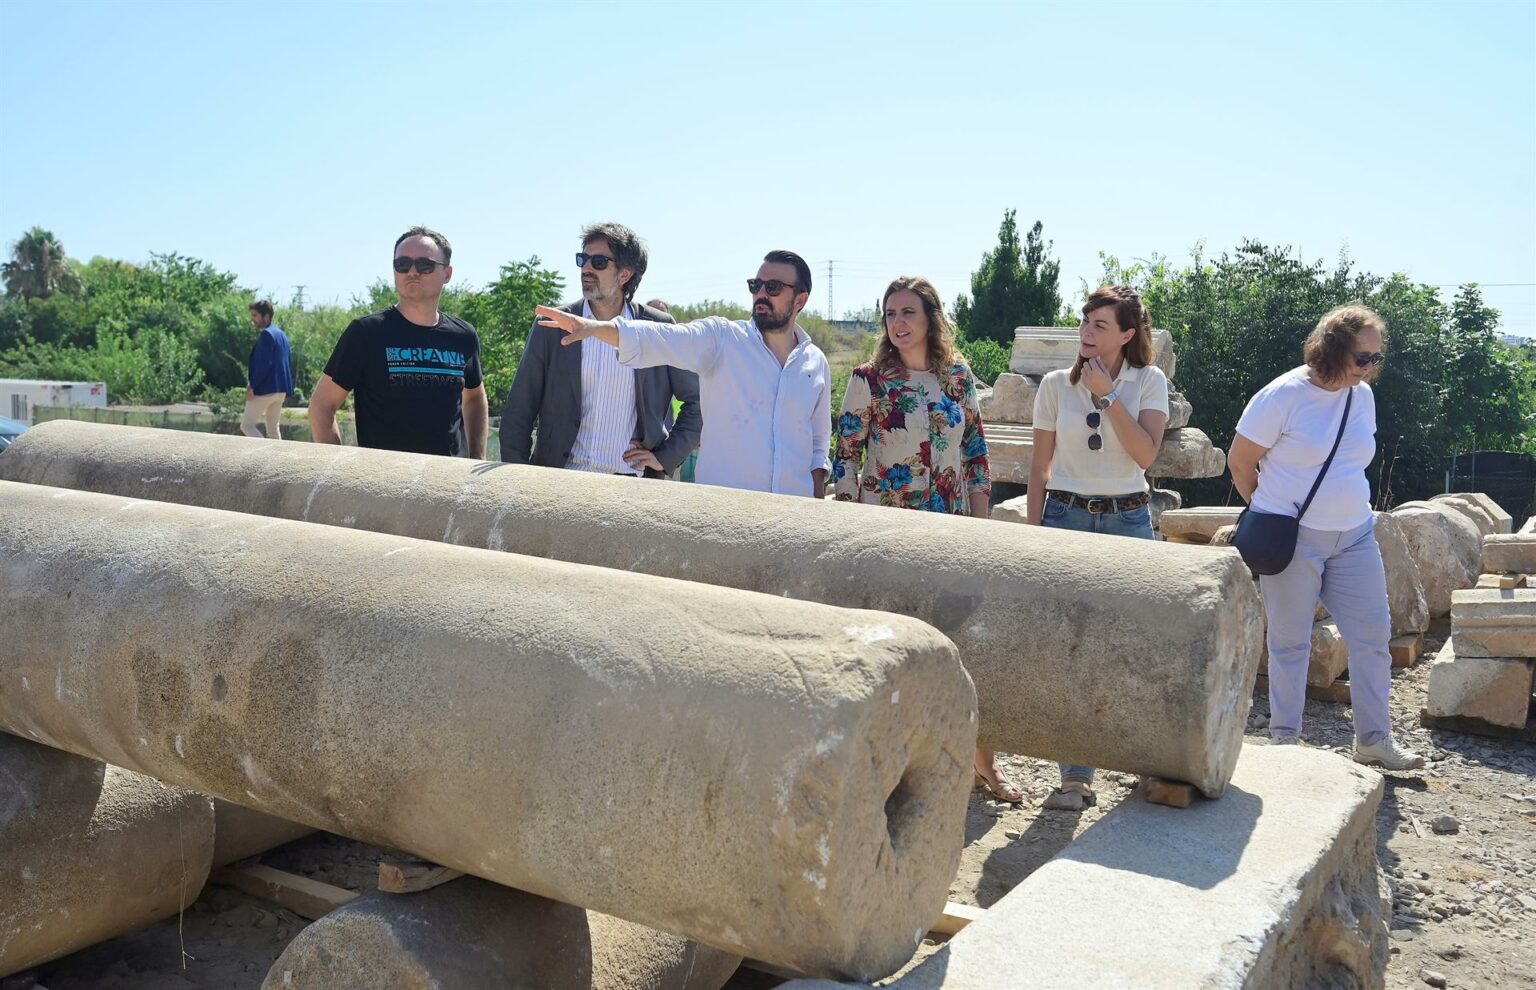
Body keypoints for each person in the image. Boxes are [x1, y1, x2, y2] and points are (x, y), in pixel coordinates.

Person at [831, 276, 1016, 801]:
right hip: (886, 534)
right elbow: (845, 459)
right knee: (888, 645)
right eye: (890, 314)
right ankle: (886, 766)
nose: (898, 323)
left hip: (950, 530)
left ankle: (983, 762)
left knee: (963, 641)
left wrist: (979, 526)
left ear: (931, 318)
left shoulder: (958, 377)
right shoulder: (868, 380)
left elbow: (976, 454)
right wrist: (849, 527)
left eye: (908, 312)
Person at [1228, 304, 1423, 771]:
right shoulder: (1282, 395)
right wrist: (1273, 512)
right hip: (1295, 539)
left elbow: (1352, 460)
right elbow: (1240, 462)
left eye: (1377, 358)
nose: (1370, 367)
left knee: (1373, 638)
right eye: (1362, 357)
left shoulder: (1362, 397)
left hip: (1355, 534)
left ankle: (1374, 740)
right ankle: (1285, 742)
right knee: (1290, 643)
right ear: (1332, 349)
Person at [1026, 285, 1170, 811]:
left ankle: (1152, 762)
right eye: (1085, 321)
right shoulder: (1053, 386)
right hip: (1064, 517)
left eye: (1100, 325)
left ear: (1127, 335)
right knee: (1069, 649)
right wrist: (1033, 532)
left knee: (1135, 642)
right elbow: (1039, 467)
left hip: (1128, 519)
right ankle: (1075, 777)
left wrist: (1107, 396)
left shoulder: (1149, 381)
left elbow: (1145, 455)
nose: (1086, 332)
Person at [531, 250, 830, 497]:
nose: (761, 294)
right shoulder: (723, 339)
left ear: (800, 300)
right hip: (727, 517)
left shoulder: (815, 363)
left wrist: (817, 504)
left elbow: (818, 444)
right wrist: (594, 328)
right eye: (756, 285)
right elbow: (658, 338)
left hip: (793, 518)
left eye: (773, 288)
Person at [501, 223, 700, 477]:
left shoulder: (658, 327)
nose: (586, 268)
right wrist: (520, 479)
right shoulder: (552, 325)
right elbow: (519, 409)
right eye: (582, 259)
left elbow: (697, 403)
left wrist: (665, 457)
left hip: (633, 485)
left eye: (598, 262)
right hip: (560, 481)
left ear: (624, 274)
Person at [310, 227, 488, 457]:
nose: (412, 271)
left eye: (424, 265)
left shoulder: (463, 336)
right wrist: (336, 467)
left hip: (447, 477)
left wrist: (477, 457)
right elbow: (322, 405)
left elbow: (474, 398)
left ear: (447, 273)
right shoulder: (366, 332)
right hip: (383, 477)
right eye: (402, 264)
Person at [241, 300, 293, 440]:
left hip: (265, 389)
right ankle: (278, 454)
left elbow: (263, 364)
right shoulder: (281, 335)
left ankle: (263, 451)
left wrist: (252, 385)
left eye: (255, 315)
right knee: (273, 429)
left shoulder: (267, 335)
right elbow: (287, 362)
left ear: (266, 316)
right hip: (281, 390)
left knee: (246, 426)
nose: (252, 319)